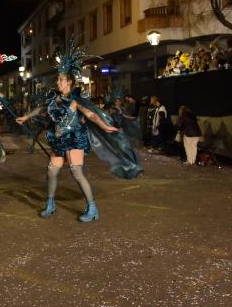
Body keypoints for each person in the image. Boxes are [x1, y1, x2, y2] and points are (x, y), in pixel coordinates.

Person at [16, 41, 142, 222]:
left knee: (76, 172)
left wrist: (105, 126)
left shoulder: (75, 99)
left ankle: (92, 208)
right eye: (57, 79)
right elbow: (41, 108)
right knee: (51, 172)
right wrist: (26, 117)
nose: (57, 81)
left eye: (60, 79)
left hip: (74, 138)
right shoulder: (54, 98)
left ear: (69, 82)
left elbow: (90, 114)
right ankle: (50, 203)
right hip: (58, 140)